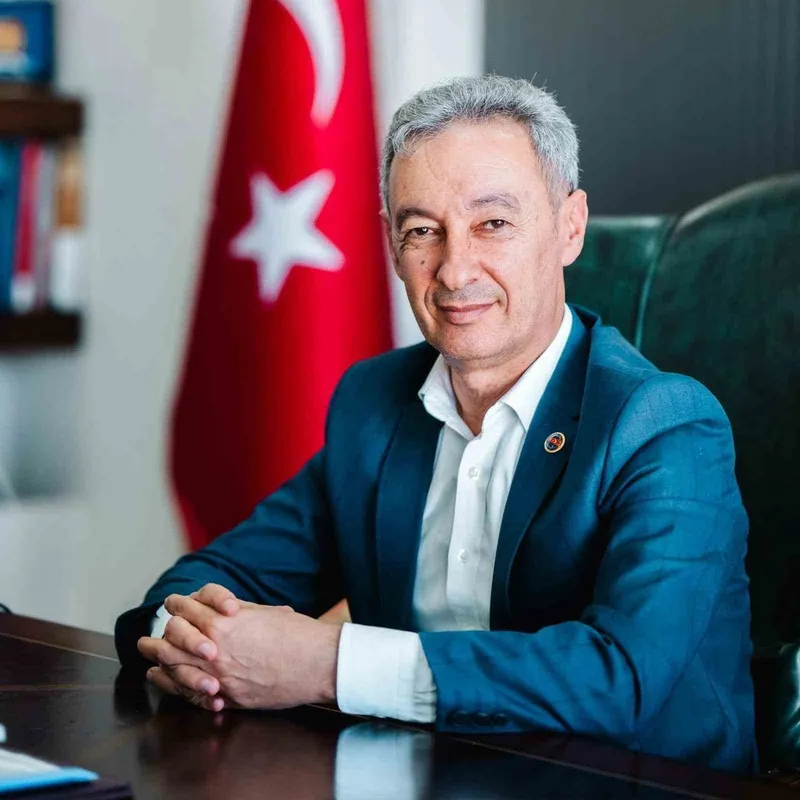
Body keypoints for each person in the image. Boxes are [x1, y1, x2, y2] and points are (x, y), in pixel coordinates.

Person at [117, 75, 755, 773]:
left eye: (493, 224)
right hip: (417, 776)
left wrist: (329, 664)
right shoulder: (373, 403)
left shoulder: (664, 426)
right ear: (392, 246)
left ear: (569, 228)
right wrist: (194, 644)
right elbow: (211, 579)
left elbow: (621, 678)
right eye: (422, 230)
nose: (454, 271)